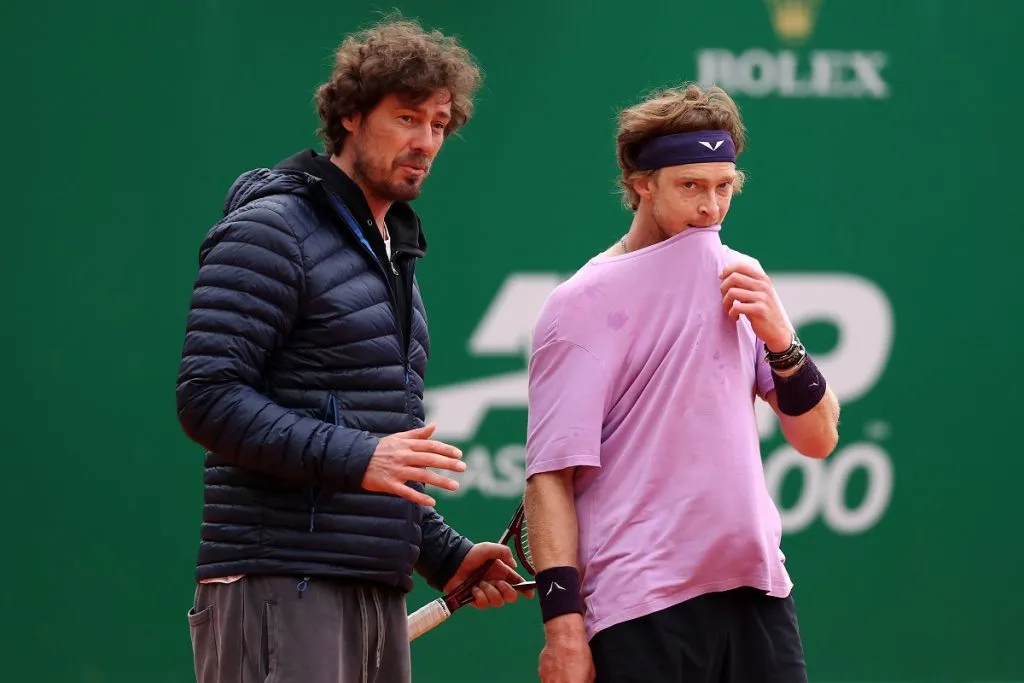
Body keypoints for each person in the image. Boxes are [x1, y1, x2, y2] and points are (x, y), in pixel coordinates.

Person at [175, 18, 529, 683]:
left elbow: (372, 445)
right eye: (406, 118)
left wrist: (446, 556)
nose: (425, 141)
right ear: (349, 118)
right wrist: (361, 455)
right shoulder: (270, 232)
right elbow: (207, 397)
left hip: (371, 585)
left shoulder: (392, 253)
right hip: (279, 582)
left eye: (439, 125)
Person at [523, 82, 841, 683]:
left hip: (756, 589)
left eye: (724, 187)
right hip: (641, 605)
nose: (711, 208)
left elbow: (818, 438)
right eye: (691, 186)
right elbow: (550, 479)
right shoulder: (577, 306)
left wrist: (781, 340)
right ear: (642, 184)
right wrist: (564, 631)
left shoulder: (741, 279)